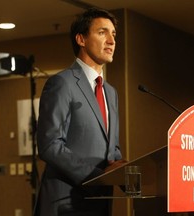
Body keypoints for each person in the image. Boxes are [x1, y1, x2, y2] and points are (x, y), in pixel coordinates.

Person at [35, 7, 126, 216]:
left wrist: (126, 173)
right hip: (65, 203)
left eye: (114, 34)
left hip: (101, 203)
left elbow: (112, 149)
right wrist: (97, 177)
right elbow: (49, 145)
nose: (112, 41)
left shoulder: (110, 92)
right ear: (81, 39)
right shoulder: (61, 83)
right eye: (102, 32)